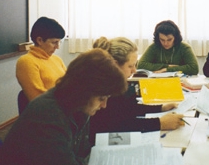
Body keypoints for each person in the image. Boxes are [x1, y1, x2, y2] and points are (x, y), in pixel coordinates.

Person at [0, 49, 128, 165]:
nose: (104, 105)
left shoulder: (78, 107)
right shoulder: (48, 116)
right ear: (84, 91)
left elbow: (81, 153)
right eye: (101, 98)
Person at [90, 36, 185, 145]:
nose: (134, 70)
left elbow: (129, 109)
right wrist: (160, 123)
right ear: (115, 64)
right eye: (130, 66)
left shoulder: (116, 82)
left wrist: (160, 108)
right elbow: (117, 125)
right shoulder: (102, 89)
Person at [16, 16, 67, 102]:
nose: (58, 47)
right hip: (48, 111)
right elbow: (38, 99)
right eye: (54, 42)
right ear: (39, 40)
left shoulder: (57, 59)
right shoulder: (26, 62)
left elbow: (69, 84)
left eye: (59, 42)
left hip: (65, 106)